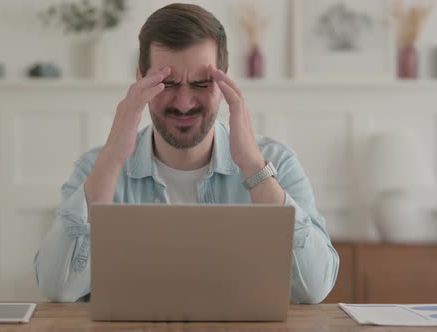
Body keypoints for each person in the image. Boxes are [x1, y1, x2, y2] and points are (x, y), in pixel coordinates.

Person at [34, 3, 339, 304]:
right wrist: (113, 157)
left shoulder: (276, 163)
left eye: (201, 83)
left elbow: (314, 287)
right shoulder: (97, 166)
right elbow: (58, 288)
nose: (183, 102)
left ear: (224, 81)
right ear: (141, 78)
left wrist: (252, 166)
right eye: (167, 83)